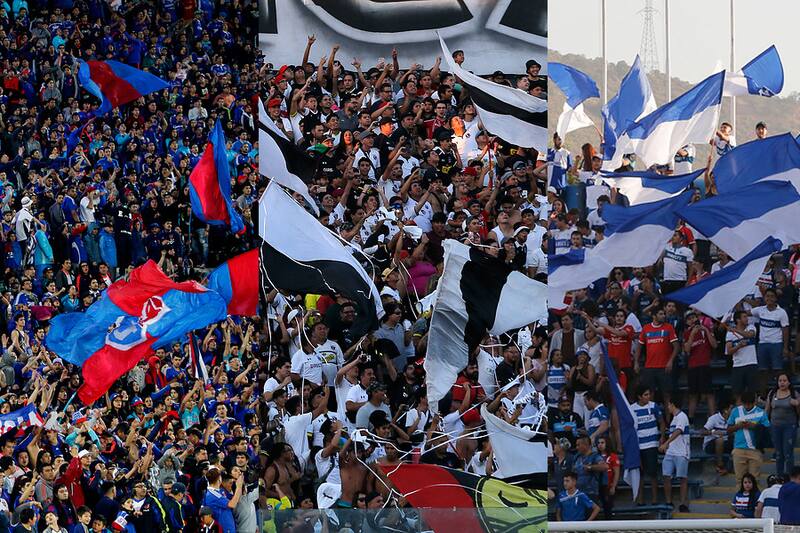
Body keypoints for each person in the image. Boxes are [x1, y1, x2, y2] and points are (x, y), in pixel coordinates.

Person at [727, 392, 771, 485]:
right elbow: (728, 430)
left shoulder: (761, 413)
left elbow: (767, 430)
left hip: (755, 450)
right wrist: (738, 426)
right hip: (739, 449)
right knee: (739, 480)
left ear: (754, 402)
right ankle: (740, 499)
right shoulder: (735, 411)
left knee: (755, 480)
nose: (747, 406)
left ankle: (754, 499)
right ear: (742, 402)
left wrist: (754, 426)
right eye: (745, 404)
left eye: (750, 404)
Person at [631, 385, 664, 505]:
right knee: (640, 473)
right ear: (639, 396)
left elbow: (661, 422)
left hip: (651, 445)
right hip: (639, 446)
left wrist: (662, 437)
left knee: (653, 473)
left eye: (649, 394)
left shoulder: (654, 406)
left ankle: (655, 499)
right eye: (645, 395)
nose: (648, 397)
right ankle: (640, 499)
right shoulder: (632, 409)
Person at [765, 372, 800, 477]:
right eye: (780, 381)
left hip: (790, 426)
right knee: (779, 454)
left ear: (789, 382)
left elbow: (799, 413)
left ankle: (790, 476)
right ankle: (779, 476)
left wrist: (797, 405)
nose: (782, 383)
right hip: (775, 426)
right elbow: (767, 410)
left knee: (788, 453)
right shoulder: (772, 393)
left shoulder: (795, 394)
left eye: (784, 381)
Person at [660, 396, 690, 512]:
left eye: (668, 405)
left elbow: (678, 431)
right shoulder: (674, 418)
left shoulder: (682, 416)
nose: (667, 407)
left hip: (681, 452)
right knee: (666, 476)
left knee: (682, 478)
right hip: (671, 451)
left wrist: (666, 443)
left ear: (672, 404)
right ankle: (669, 501)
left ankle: (683, 503)